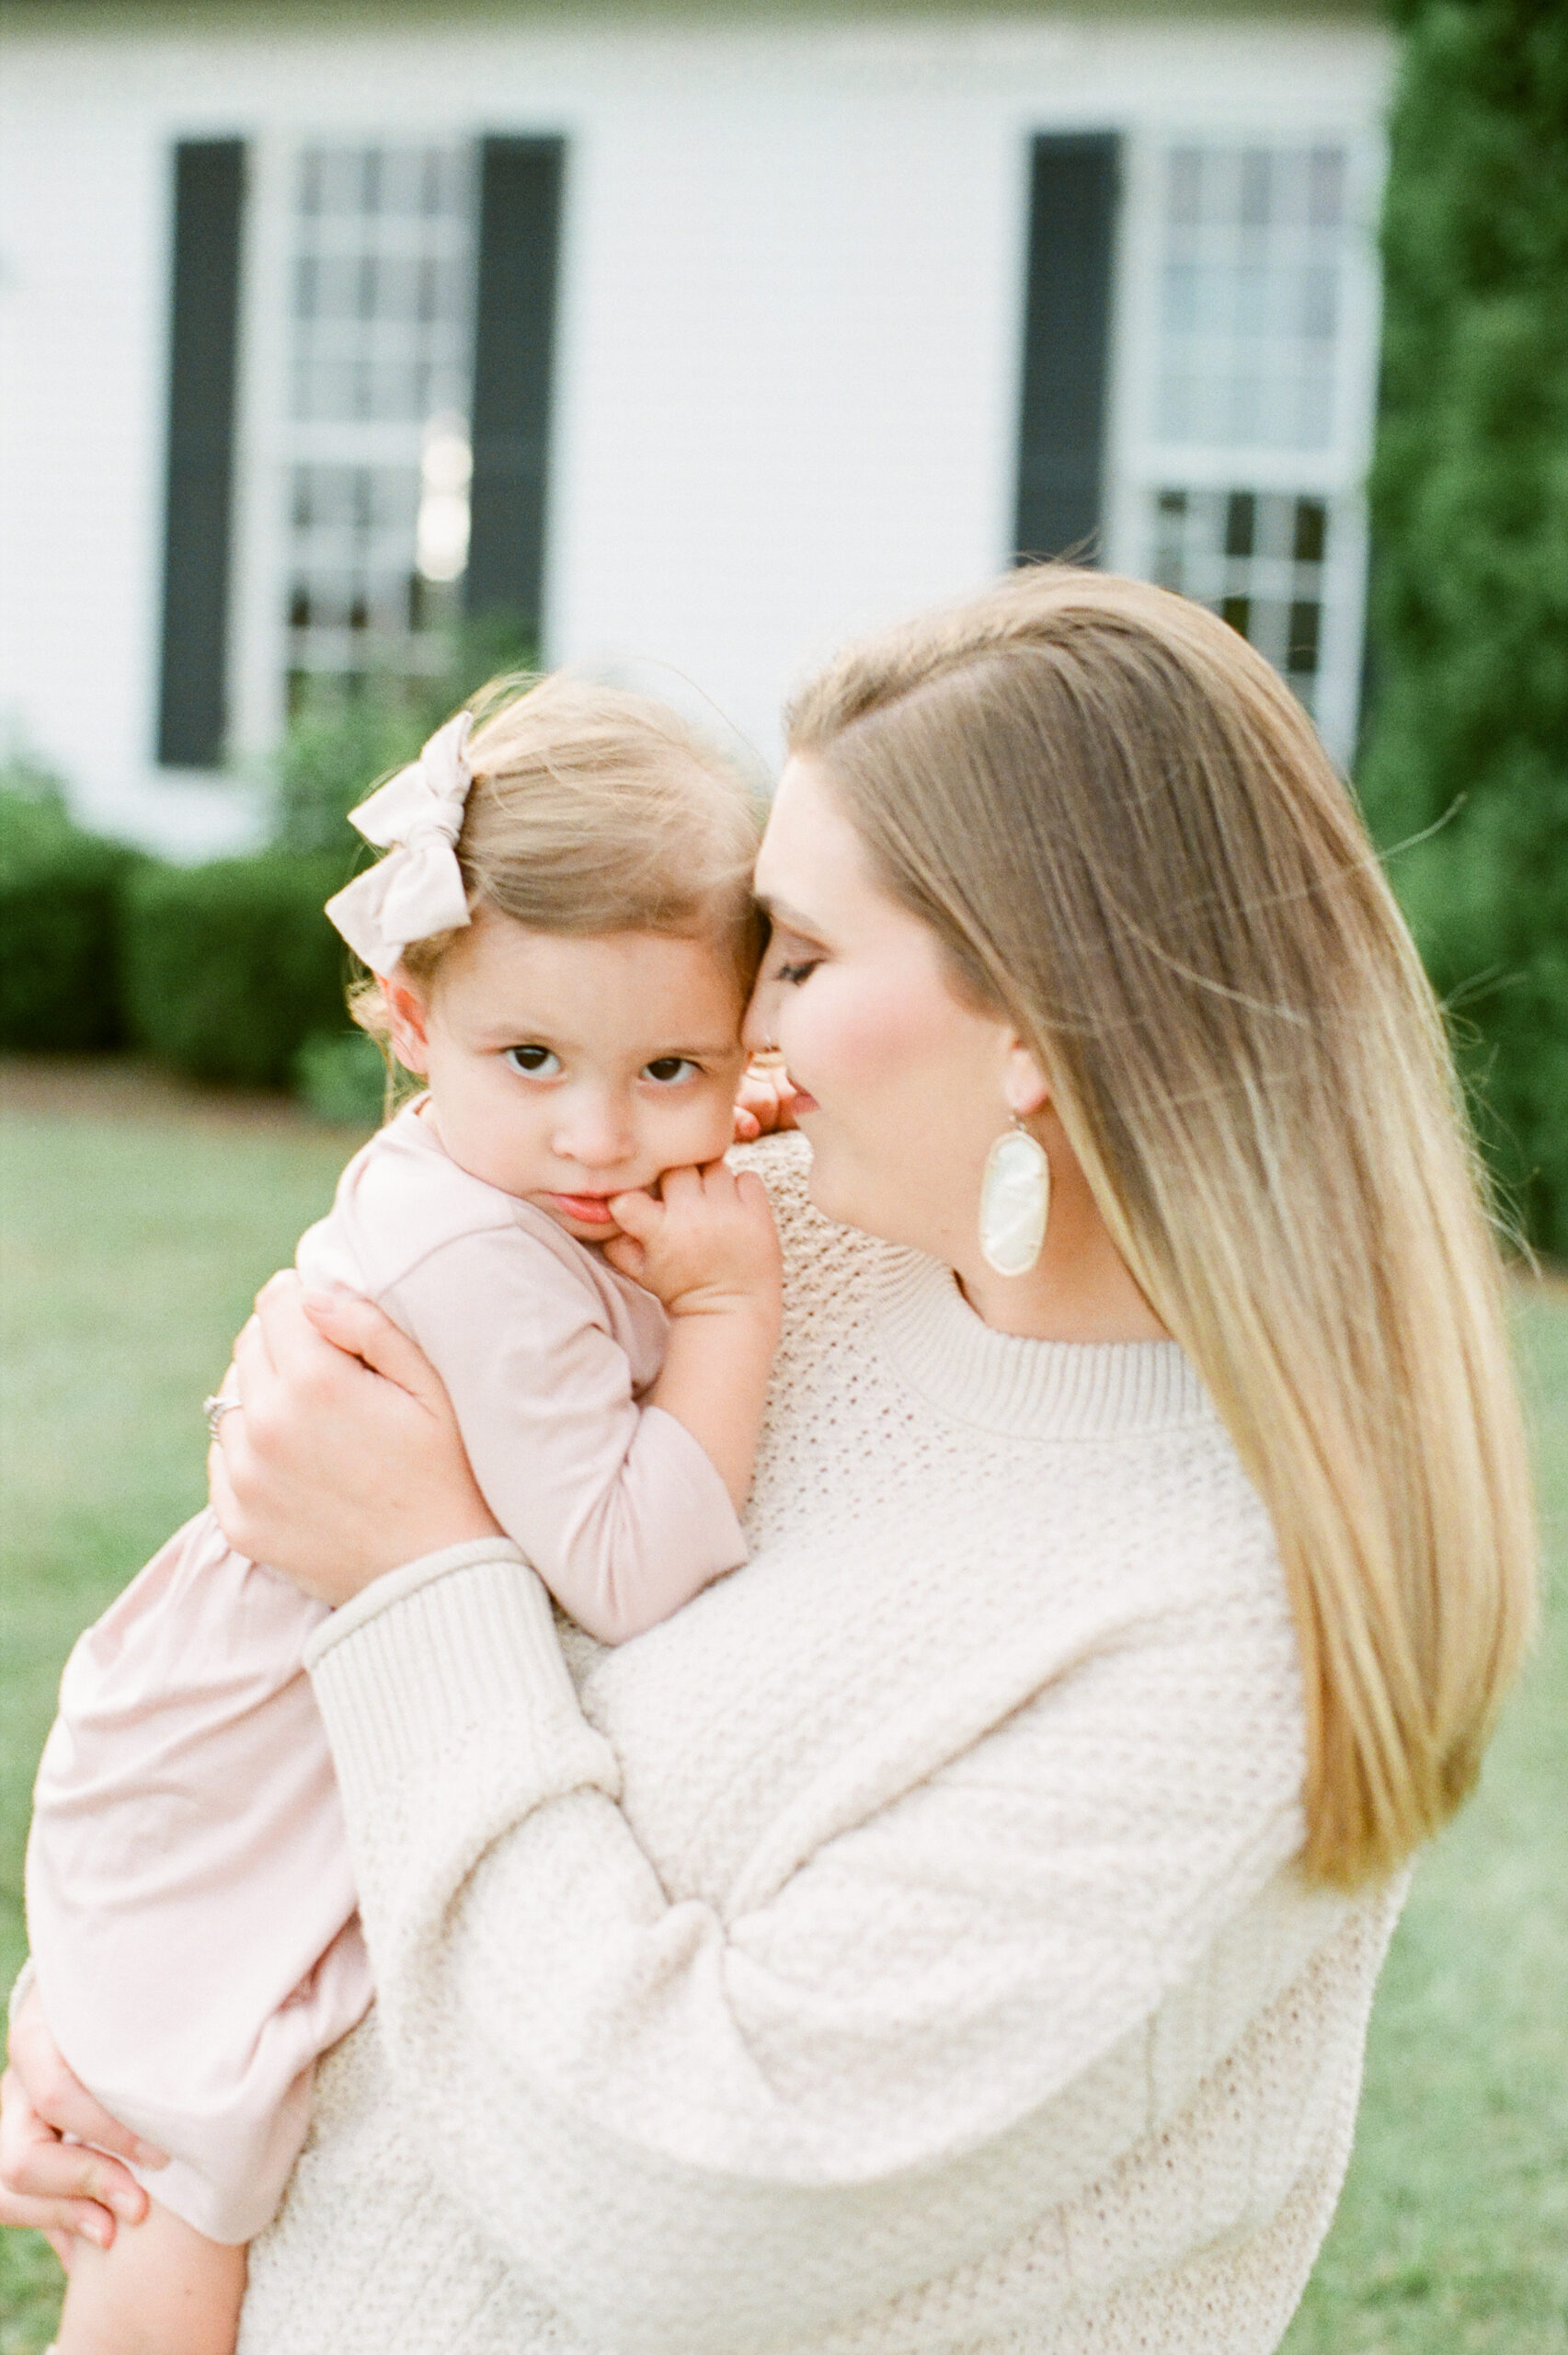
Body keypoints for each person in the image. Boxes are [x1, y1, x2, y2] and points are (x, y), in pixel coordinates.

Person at [3, 569, 1536, 2355]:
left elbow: (676, 2208)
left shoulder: (1227, 1631)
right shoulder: (776, 1242)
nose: (744, 1037)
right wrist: (150, 2015)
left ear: (1037, 1023)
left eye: (793, 958)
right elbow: (318, 1515)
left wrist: (417, 1578)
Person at [16, 675, 783, 2355]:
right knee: (176, 2178)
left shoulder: (497, 1168)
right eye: (533, 1058)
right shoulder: (477, 1253)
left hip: (253, 1721)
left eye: (675, 1066)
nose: (601, 1133)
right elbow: (631, 1564)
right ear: (409, 1019)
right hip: (238, 1762)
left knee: (175, 2139)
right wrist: (729, 1319)